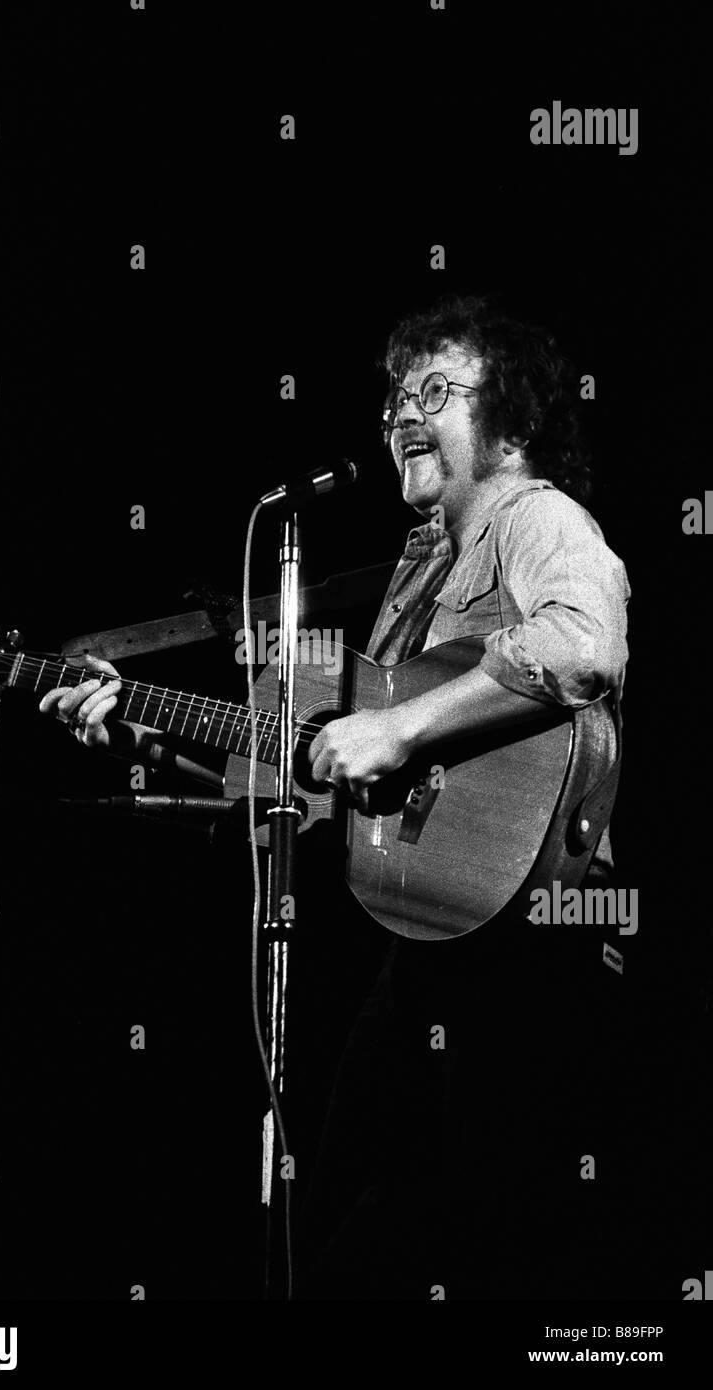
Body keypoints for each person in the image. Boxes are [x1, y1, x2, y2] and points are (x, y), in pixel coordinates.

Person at [40, 294, 631, 1298]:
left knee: (487, 1245)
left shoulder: (537, 518)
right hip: (430, 944)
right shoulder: (415, 572)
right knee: (326, 1242)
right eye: (393, 398)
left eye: (433, 390)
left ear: (515, 419)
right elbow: (306, 779)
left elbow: (582, 649)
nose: (401, 414)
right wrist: (141, 737)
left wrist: (397, 729)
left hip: (536, 944)